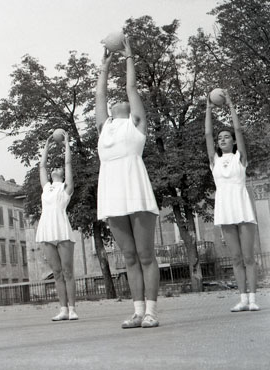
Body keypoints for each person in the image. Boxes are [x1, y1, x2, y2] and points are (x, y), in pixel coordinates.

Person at [95, 39, 160, 329]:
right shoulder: (104, 127)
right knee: (129, 256)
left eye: (124, 99)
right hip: (112, 193)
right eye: (114, 101)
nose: (119, 99)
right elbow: (99, 93)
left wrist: (129, 54)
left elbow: (131, 87)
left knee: (146, 255)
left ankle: (152, 312)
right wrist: (105, 66)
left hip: (135, 189)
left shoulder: (136, 123)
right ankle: (137, 311)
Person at [205, 90, 259, 312]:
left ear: (233, 141)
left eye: (226, 137)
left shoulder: (240, 157)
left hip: (242, 206)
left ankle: (253, 299)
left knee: (248, 257)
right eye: (220, 138)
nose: (222, 139)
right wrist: (208, 108)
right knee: (235, 258)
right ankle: (243, 299)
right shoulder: (214, 161)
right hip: (225, 208)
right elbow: (207, 134)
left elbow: (238, 129)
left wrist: (230, 105)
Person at [36, 131, 78, 321]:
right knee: (57, 272)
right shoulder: (47, 187)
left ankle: (72, 309)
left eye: (59, 168)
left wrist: (67, 142)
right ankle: (63, 309)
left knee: (68, 271)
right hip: (46, 230)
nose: (56, 168)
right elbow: (42, 166)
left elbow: (68, 163)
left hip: (61, 228)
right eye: (55, 167)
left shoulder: (66, 188)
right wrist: (46, 144)